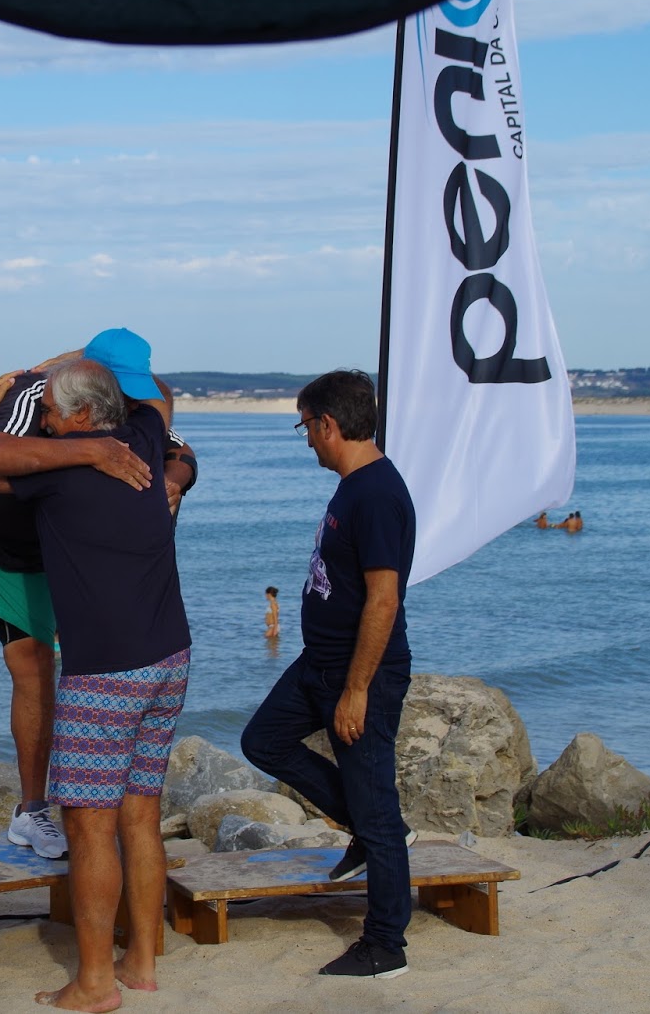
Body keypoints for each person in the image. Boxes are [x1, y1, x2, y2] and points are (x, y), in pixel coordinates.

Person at [0, 343, 190, 1011]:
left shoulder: (60, 474)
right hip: (169, 656)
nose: (46, 422)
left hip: (105, 675)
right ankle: (140, 962)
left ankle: (93, 982)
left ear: (85, 414)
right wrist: (97, 377)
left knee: (89, 829)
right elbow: (160, 393)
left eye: (55, 414)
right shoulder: (145, 436)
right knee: (140, 815)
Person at [0, 329, 198, 860]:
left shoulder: (129, 407)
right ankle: (32, 810)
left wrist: (175, 477)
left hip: (66, 541)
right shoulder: (34, 397)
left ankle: (96, 804)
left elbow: (179, 447)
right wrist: (89, 451)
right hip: (3, 540)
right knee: (33, 664)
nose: (133, 403)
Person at [240, 369, 417, 980]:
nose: (308, 439)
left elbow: (384, 600)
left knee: (378, 809)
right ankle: (368, 829)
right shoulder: (353, 486)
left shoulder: (377, 495)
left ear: (329, 424)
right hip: (317, 663)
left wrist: (357, 689)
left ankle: (386, 945)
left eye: (306, 427)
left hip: (358, 672)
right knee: (263, 741)